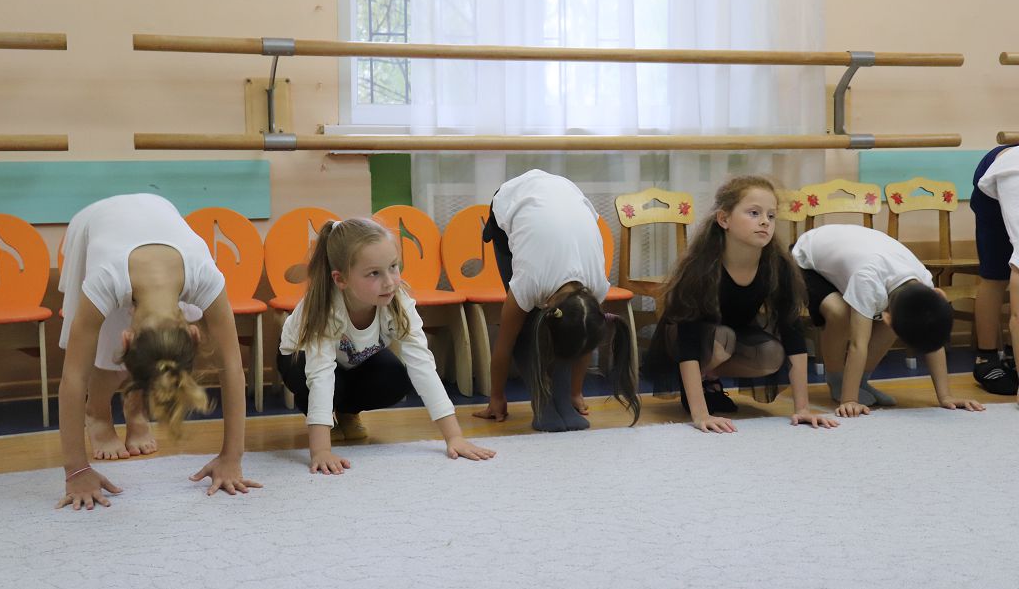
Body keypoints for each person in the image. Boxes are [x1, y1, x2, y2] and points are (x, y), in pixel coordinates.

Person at [56, 193, 259, 511]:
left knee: (156, 354)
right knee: (100, 343)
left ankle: (136, 411)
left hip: (158, 213)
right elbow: (73, 378)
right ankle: (97, 413)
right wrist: (76, 471)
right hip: (97, 219)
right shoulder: (105, 280)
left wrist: (232, 458)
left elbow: (232, 368)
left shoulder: (205, 276)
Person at [277, 218, 495, 474]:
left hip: (352, 359)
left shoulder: (397, 302)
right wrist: (321, 451)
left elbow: (422, 365)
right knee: (329, 383)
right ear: (341, 279)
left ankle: (347, 412)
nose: (390, 281)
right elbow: (320, 375)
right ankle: (327, 420)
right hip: (300, 360)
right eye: (374, 273)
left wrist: (454, 436)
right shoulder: (326, 309)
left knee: (395, 377)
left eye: (393, 267)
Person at [645, 176, 837, 433]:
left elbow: (792, 331)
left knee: (772, 354)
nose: (765, 222)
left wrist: (802, 408)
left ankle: (710, 377)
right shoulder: (701, 267)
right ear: (724, 219)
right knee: (722, 339)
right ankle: (696, 384)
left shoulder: (778, 265)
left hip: (733, 336)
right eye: (754, 213)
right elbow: (687, 339)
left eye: (771, 215)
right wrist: (701, 415)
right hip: (684, 339)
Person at [472, 169, 640, 432]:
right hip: (514, 199)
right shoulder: (530, 282)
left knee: (575, 331)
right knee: (524, 325)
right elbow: (505, 344)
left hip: (566, 199)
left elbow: (584, 344)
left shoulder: (595, 287)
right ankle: (544, 402)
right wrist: (496, 398)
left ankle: (563, 398)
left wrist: (576, 393)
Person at [792, 223, 985, 417]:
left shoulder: (923, 281)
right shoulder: (867, 280)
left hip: (853, 257)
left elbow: (932, 335)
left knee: (902, 320)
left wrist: (946, 396)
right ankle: (837, 382)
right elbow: (858, 345)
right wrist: (849, 400)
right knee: (840, 313)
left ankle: (861, 383)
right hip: (805, 260)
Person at [970, 144, 1019, 395]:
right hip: (999, 171)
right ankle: (986, 358)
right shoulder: (1013, 173)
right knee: (996, 274)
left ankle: (1012, 353)